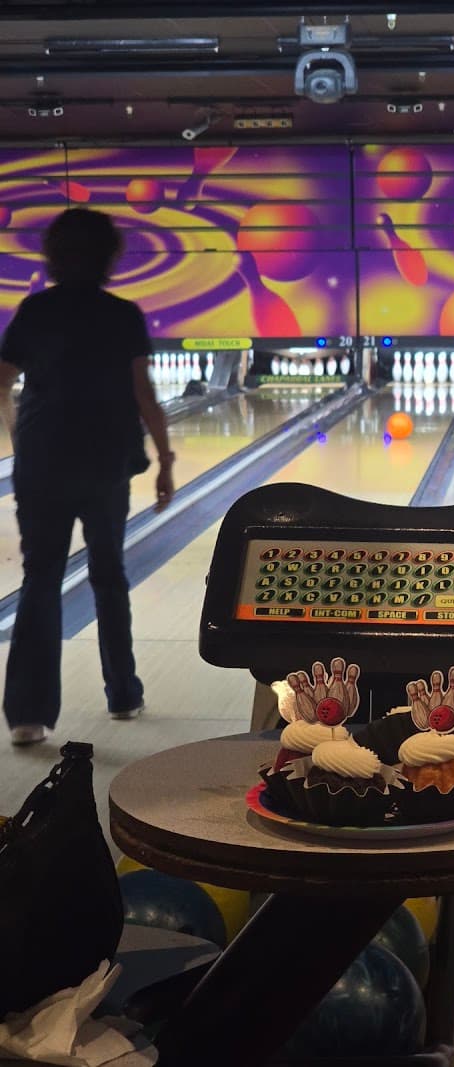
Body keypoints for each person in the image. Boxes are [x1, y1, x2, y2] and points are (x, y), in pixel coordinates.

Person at [0, 207, 176, 746]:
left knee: (41, 577)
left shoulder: (35, 310)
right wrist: (166, 459)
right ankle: (123, 694)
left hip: (43, 462)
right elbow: (143, 393)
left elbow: (1, 381)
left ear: (51, 256)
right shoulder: (123, 314)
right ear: (110, 257)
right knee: (108, 573)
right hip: (105, 461)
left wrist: (19, 437)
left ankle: (28, 716)